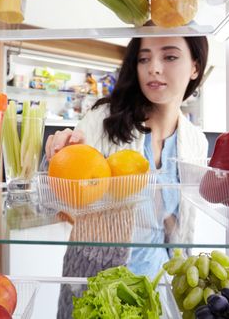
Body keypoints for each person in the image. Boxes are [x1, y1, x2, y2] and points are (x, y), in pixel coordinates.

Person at [46, 35, 209, 318]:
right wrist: (62, 154)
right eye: (144, 58)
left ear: (195, 67)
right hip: (96, 281)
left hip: (157, 285)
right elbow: (65, 207)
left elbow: (177, 226)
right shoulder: (104, 119)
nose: (153, 68)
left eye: (169, 57)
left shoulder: (196, 141)